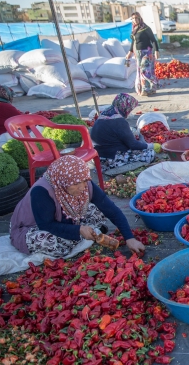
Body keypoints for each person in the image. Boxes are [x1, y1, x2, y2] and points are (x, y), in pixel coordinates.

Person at [10, 155, 145, 258]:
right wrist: (78, 230)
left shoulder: (85, 184)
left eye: (83, 181)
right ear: (62, 182)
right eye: (75, 184)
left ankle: (84, 233)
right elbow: (46, 225)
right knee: (50, 242)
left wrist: (129, 238)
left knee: (98, 210)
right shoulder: (42, 192)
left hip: (69, 217)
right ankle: (84, 234)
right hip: (32, 227)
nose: (81, 187)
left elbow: (112, 210)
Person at [90, 93, 156, 171]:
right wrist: (152, 145)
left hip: (97, 157)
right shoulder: (119, 120)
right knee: (150, 153)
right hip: (110, 159)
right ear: (126, 107)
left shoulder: (105, 113)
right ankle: (119, 168)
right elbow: (133, 145)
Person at [125, 12, 160, 96]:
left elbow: (153, 40)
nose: (135, 20)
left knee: (145, 70)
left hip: (147, 53)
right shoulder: (134, 29)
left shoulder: (146, 28)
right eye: (133, 18)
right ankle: (152, 88)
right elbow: (133, 42)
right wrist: (129, 53)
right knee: (140, 71)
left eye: (136, 18)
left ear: (140, 18)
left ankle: (146, 89)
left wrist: (156, 51)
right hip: (138, 53)